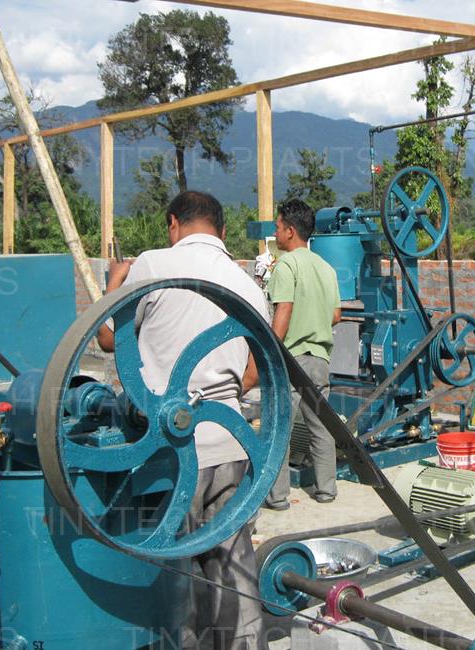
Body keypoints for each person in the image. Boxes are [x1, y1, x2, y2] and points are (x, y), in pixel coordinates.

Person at [97, 190, 268, 650]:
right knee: (233, 563)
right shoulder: (248, 282)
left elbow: (109, 340)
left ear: (173, 224)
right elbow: (258, 368)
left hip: (170, 452)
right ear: (223, 230)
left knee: (175, 570)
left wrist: (113, 283)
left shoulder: (153, 265)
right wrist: (221, 394)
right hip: (234, 444)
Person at [264, 198, 342, 509]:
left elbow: (284, 309)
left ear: (291, 231)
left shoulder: (287, 265)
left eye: (278, 227)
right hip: (320, 359)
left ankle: (277, 496)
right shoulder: (326, 267)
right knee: (321, 427)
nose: (275, 232)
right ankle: (326, 490)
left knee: (278, 428)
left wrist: (268, 350)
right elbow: (336, 315)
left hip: (291, 358)